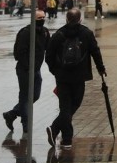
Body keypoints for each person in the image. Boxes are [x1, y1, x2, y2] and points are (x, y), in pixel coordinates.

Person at [45, 8, 106, 149]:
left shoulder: (58, 34)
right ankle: (61, 135)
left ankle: (64, 137)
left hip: (62, 78)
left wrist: (55, 71)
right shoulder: (86, 33)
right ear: (80, 19)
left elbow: (48, 56)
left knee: (65, 106)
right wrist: (100, 68)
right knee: (75, 104)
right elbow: (95, 52)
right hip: (80, 77)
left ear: (66, 19)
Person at [3, 10, 50, 134]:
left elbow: (49, 48)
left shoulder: (45, 32)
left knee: (35, 95)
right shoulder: (25, 33)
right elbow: (19, 53)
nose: (42, 19)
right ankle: (25, 123)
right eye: (40, 17)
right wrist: (28, 67)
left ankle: (11, 114)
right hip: (24, 69)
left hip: (36, 69)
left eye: (44, 17)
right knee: (25, 96)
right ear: (33, 19)